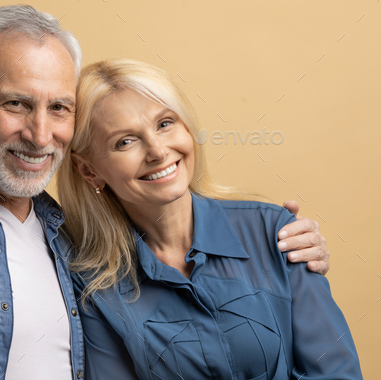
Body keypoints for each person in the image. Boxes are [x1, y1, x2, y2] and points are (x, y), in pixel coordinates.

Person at [0, 5, 329, 380]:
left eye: (59, 108)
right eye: (16, 104)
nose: (40, 135)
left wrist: (279, 248)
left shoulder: (74, 241)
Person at [58, 58, 362, 379]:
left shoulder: (276, 232)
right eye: (125, 141)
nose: (158, 151)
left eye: (165, 123)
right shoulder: (91, 284)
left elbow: (336, 372)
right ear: (89, 171)